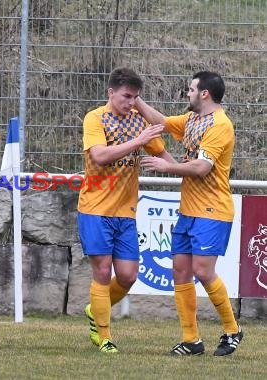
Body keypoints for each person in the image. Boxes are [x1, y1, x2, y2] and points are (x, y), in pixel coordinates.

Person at [137, 71, 243, 356]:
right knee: (181, 271)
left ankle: (233, 330)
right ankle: (191, 340)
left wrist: (166, 167)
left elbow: (201, 168)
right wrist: (136, 101)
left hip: (213, 210)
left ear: (204, 93)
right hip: (188, 210)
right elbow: (161, 122)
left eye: (191, 89)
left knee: (202, 271)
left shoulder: (221, 125)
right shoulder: (194, 119)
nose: (187, 93)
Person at [77, 67, 174, 353]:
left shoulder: (139, 122)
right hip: (94, 208)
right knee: (103, 271)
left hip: (125, 212)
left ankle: (96, 309)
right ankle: (104, 337)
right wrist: (138, 142)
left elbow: (162, 153)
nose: (130, 103)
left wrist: (183, 168)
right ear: (111, 92)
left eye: (135, 98)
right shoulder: (95, 118)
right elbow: (100, 155)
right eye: (126, 96)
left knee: (129, 275)